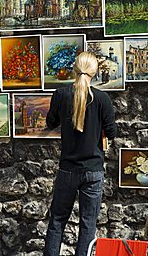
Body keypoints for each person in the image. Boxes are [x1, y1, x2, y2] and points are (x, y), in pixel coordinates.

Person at [43, 52, 117, 256]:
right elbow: (112, 132)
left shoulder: (61, 94)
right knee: (88, 225)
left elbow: (51, 122)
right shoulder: (102, 98)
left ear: (75, 69)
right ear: (94, 72)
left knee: (57, 221)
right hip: (93, 171)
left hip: (68, 169)